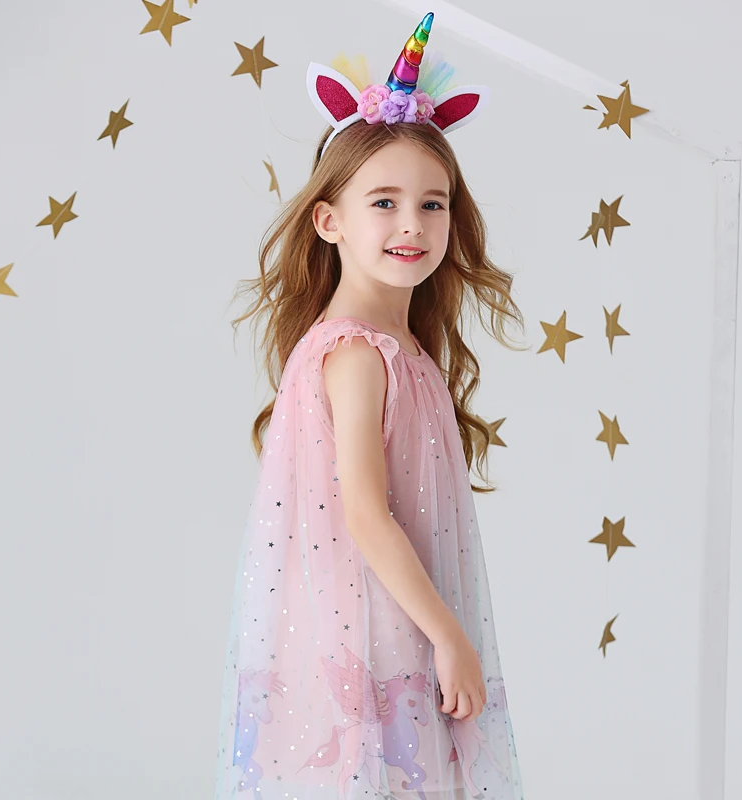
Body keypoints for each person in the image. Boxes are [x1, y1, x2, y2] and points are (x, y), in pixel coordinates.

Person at [215, 11, 525, 800]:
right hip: (378, 637)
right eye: (383, 202)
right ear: (330, 220)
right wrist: (449, 637)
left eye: (433, 203)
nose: (412, 224)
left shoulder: (405, 348)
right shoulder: (355, 354)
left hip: (403, 627)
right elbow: (364, 514)